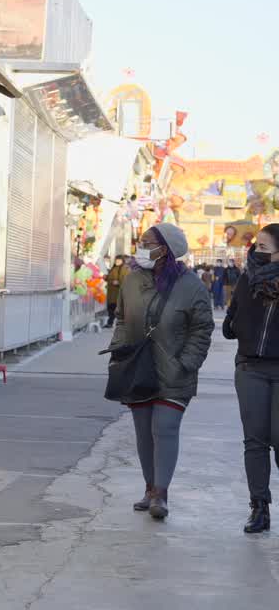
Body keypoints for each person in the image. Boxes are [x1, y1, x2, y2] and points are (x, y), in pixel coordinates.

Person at [109, 223, 213, 520]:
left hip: (175, 372)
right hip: (137, 369)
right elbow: (120, 319)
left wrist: (187, 363)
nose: (140, 246)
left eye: (146, 242)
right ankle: (149, 487)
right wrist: (119, 350)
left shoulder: (191, 285)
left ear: (164, 249)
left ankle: (161, 494)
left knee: (164, 428)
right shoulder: (131, 281)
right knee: (144, 433)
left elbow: (202, 328)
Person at [222, 223, 279, 533]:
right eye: (256, 246)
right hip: (250, 368)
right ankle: (259, 507)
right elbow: (230, 324)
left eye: (263, 247)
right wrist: (238, 324)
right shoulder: (248, 279)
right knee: (255, 440)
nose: (256, 252)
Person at [104, 255, 128, 328]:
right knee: (111, 308)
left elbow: (126, 280)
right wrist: (106, 278)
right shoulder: (113, 268)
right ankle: (110, 323)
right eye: (116, 260)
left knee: (117, 309)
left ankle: (119, 324)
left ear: (122, 261)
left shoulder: (124, 269)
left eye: (119, 260)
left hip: (118, 293)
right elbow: (110, 278)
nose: (117, 261)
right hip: (111, 293)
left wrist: (118, 282)